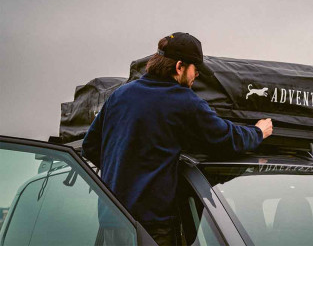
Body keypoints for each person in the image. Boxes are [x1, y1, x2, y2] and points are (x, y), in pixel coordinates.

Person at [82, 32, 273, 245]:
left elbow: (90, 147)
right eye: (195, 69)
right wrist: (258, 132)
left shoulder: (120, 95)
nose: (196, 76)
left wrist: (123, 172)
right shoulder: (183, 102)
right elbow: (226, 138)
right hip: (149, 228)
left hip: (111, 220)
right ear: (180, 66)